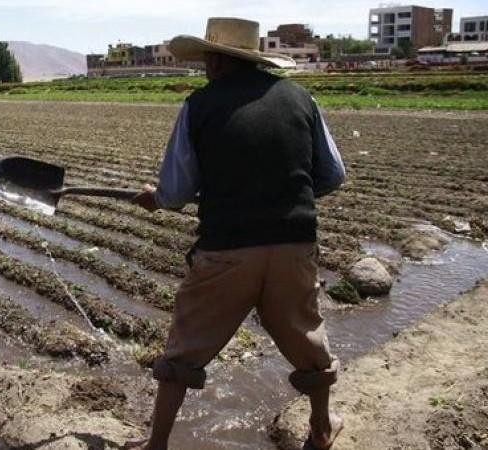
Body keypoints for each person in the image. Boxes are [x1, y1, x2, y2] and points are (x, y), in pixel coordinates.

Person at [131, 17, 346, 450]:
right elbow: (332, 175)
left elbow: (174, 192)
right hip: (293, 246)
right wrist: (284, 191)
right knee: (307, 337)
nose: (205, 66)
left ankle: (156, 446)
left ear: (219, 60)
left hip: (227, 251)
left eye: (208, 58)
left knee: (185, 348)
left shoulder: (200, 105)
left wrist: (157, 198)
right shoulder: (301, 99)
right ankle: (322, 429)